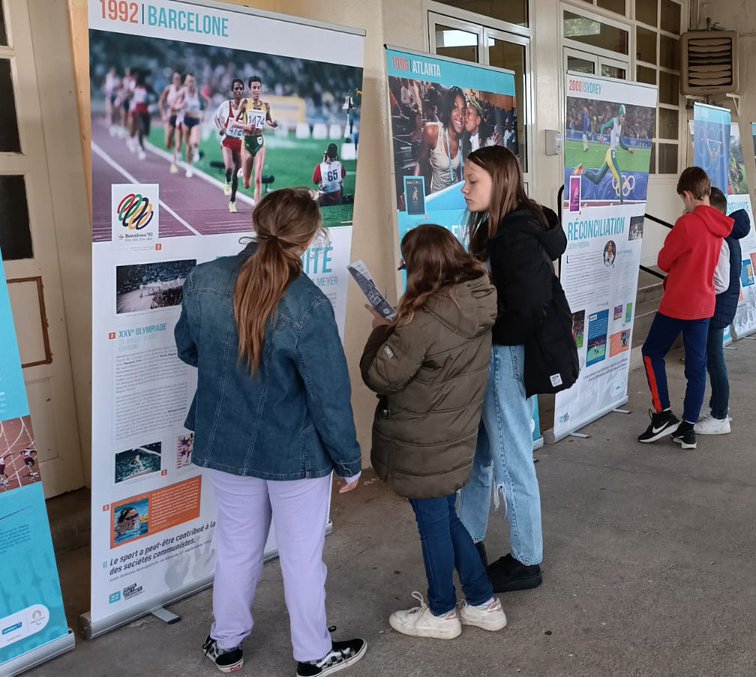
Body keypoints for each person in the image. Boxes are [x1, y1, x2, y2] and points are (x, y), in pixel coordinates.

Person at [174, 188, 367, 676]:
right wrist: (348, 461)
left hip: (227, 440)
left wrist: (234, 373)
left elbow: (188, 349)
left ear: (258, 223)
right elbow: (328, 394)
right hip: (294, 451)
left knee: (237, 547)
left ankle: (226, 643)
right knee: (302, 558)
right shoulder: (308, 303)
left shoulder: (203, 280)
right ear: (310, 238)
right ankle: (313, 655)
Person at [360, 224, 507, 640]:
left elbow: (379, 375)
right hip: (453, 434)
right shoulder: (476, 299)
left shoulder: (422, 321)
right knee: (444, 517)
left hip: (422, 439)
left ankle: (442, 611)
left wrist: (382, 330)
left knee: (433, 526)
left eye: (407, 263)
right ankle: (482, 601)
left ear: (421, 268)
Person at [460, 146, 565, 592]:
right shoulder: (499, 227)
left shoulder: (514, 235)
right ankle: (467, 541)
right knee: (481, 456)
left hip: (504, 355)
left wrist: (490, 330)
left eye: (472, 181)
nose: (465, 189)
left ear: (500, 182)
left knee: (511, 459)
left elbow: (527, 307)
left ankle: (526, 559)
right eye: (465, 179)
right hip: (495, 354)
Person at [638, 167, 733, 450]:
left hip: (678, 303)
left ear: (689, 195)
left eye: (683, 198)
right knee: (696, 367)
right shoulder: (720, 226)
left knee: (651, 352)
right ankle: (687, 429)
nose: (683, 203)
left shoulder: (687, 224)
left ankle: (663, 415)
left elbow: (664, 261)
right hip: (704, 305)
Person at [697, 188, 749, 436]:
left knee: (715, 361)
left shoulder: (722, 239)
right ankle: (718, 409)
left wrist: (699, 288)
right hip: (720, 307)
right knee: (714, 360)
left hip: (716, 308)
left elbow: (721, 283)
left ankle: (719, 416)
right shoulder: (727, 234)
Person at [574, 104, 636, 204]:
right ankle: (621, 204)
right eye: (623, 116)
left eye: (625, 117)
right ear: (620, 115)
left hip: (610, 153)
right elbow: (604, 127)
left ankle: (582, 171)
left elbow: (621, 143)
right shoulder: (613, 121)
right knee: (620, 179)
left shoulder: (620, 127)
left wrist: (628, 149)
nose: (624, 119)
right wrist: (601, 136)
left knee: (597, 179)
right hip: (611, 153)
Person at [236, 76, 279, 203]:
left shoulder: (266, 105)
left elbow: (268, 120)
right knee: (247, 184)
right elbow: (234, 122)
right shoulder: (244, 103)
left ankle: (257, 209)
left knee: (258, 179)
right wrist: (246, 126)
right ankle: (243, 170)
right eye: (254, 87)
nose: (256, 90)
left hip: (260, 142)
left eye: (258, 87)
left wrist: (273, 124)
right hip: (247, 142)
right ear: (250, 89)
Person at [422, 86, 467, 193]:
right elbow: (420, 162)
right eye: (455, 108)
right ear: (448, 111)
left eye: (463, 110)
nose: (460, 115)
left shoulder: (463, 137)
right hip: (438, 195)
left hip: (455, 193)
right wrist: (411, 190)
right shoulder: (432, 131)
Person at [213, 78, 246, 212]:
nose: (239, 91)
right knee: (229, 168)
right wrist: (221, 128)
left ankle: (232, 201)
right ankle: (227, 181)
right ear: (232, 90)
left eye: (241, 88)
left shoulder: (246, 107)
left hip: (239, 142)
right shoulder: (225, 105)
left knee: (236, 174)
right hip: (227, 141)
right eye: (236, 88)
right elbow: (216, 118)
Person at [171, 73, 208, 178]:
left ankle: (196, 152)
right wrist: (180, 105)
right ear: (186, 82)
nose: (190, 83)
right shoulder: (183, 92)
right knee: (188, 147)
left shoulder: (197, 92)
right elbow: (173, 105)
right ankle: (189, 167)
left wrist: (203, 114)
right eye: (189, 81)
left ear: (195, 82)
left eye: (192, 81)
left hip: (195, 120)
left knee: (195, 142)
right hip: (185, 120)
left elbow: (207, 101)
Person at [159, 71, 183, 153]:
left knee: (178, 137)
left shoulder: (183, 90)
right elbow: (161, 101)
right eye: (175, 78)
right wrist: (163, 114)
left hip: (180, 116)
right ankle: (173, 146)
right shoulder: (169, 89)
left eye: (178, 78)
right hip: (170, 116)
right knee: (168, 143)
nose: (177, 80)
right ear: (172, 79)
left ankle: (177, 153)